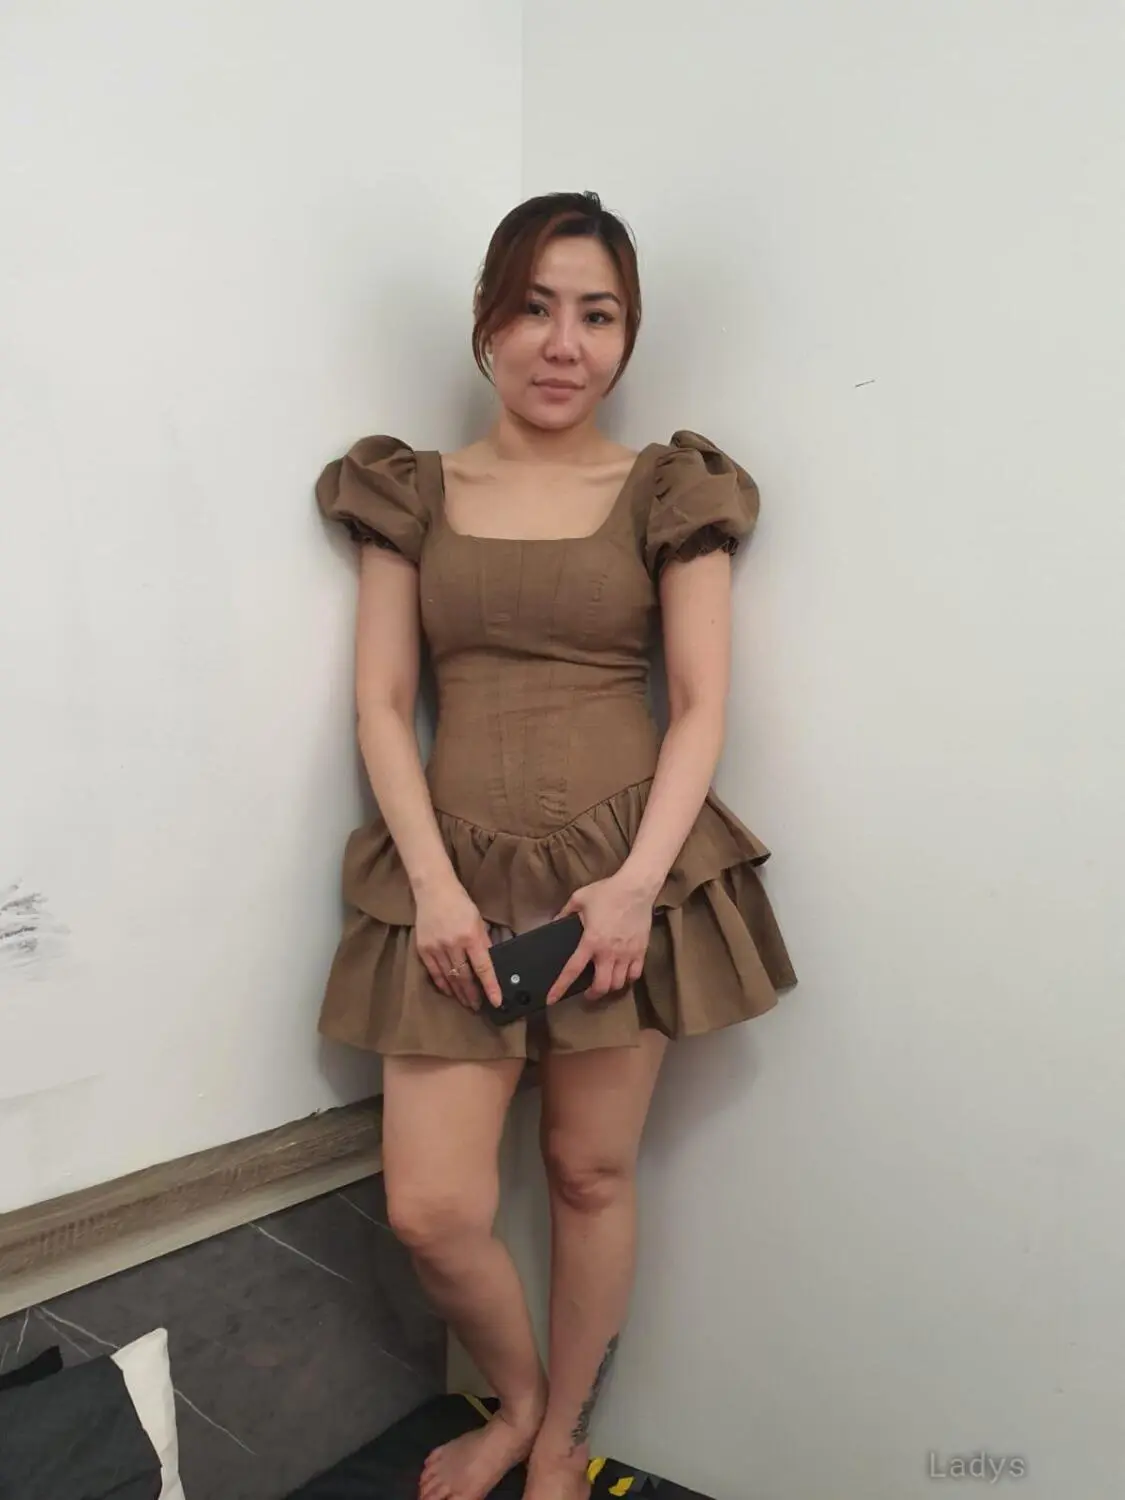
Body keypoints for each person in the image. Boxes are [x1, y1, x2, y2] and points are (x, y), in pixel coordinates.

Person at [314, 190, 797, 1500]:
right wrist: (433, 891)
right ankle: (519, 1401)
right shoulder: (413, 489)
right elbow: (381, 703)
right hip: (449, 880)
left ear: (629, 336)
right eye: (535, 307)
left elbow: (699, 707)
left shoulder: (668, 489)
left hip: (621, 876)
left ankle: (561, 1438)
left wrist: (638, 887)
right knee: (433, 1208)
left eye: (598, 314)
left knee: (588, 1174)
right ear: (488, 320)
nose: (564, 343)